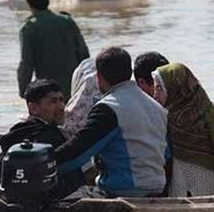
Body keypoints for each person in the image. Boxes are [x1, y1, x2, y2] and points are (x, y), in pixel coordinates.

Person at [54, 47, 169, 198]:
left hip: (122, 191)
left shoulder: (108, 108)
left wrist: (45, 163)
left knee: (60, 201)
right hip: (157, 188)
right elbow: (164, 154)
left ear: (98, 77)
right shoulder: (157, 107)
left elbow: (78, 152)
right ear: (129, 72)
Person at [151, 63, 214, 197]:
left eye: (160, 89)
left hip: (195, 194)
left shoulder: (175, 122)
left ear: (175, 90)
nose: (155, 94)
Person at [0, 79, 84, 198]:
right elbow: (76, 180)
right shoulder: (51, 136)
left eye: (61, 100)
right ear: (33, 108)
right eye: (53, 102)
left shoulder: (17, 135)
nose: (61, 107)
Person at [17, 0, 90, 99]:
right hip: (74, 87)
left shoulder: (29, 28)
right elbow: (83, 53)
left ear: (29, 3)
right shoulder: (67, 21)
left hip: (47, 92)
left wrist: (23, 90)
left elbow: (26, 64)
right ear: (48, 0)